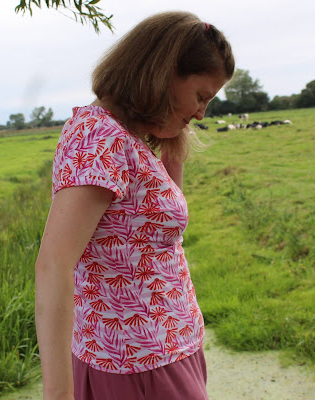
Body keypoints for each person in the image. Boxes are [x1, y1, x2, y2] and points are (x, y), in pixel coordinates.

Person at [35, 10, 234, 400]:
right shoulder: (99, 136)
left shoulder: (130, 139)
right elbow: (53, 265)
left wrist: (170, 131)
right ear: (163, 74)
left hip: (171, 347)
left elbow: (164, 232)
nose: (201, 113)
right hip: (136, 363)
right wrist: (58, 394)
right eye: (200, 97)